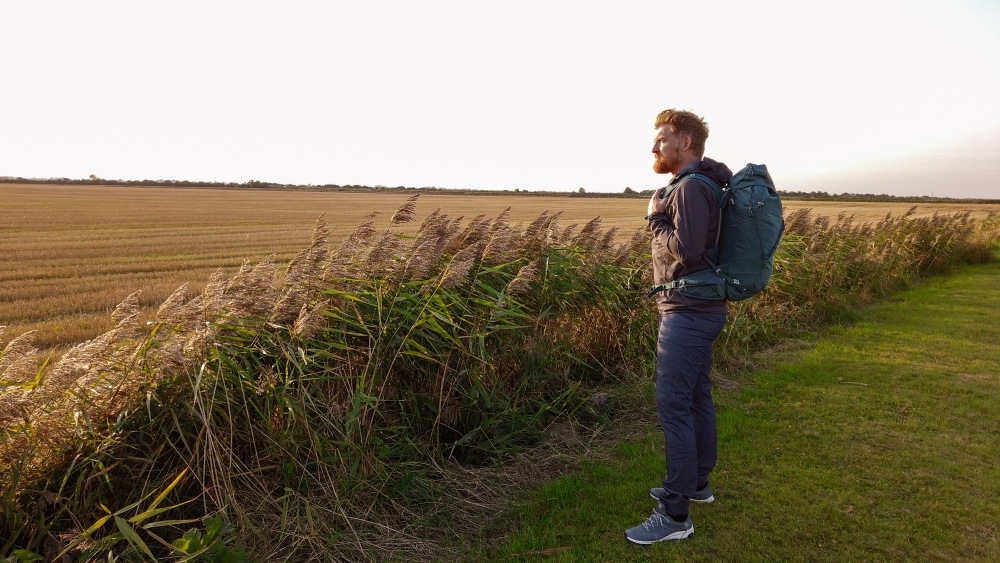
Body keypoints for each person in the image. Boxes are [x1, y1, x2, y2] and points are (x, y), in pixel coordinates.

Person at [625, 109, 733, 544]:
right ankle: (697, 484)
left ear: (685, 142)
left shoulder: (688, 188)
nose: (654, 146)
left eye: (661, 138)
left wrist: (655, 217)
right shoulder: (701, 184)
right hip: (700, 308)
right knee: (695, 397)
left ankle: (675, 514)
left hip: (687, 312)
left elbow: (687, 250)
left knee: (674, 405)